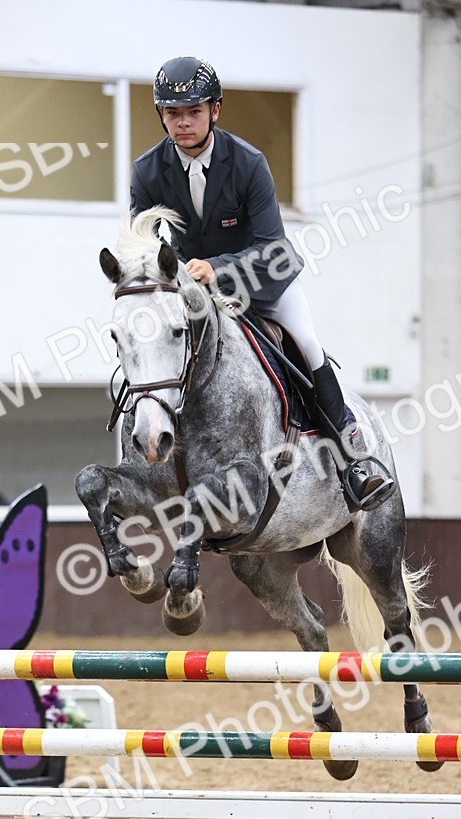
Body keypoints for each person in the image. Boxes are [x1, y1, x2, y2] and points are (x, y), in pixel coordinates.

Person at [130, 55, 395, 512]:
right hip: (197, 293)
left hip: (261, 278)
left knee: (307, 343)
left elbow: (272, 245)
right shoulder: (148, 171)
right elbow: (143, 245)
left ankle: (356, 458)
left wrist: (217, 269)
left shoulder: (248, 163)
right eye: (173, 113)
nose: (182, 123)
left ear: (215, 110)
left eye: (193, 112)